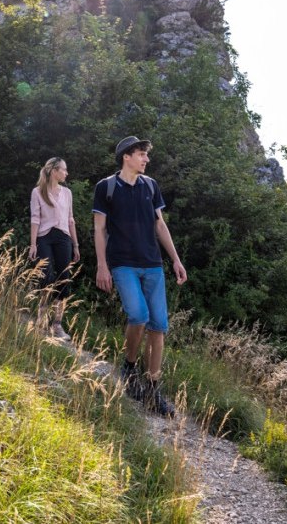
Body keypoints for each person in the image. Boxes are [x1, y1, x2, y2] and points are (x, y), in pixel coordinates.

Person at [92, 136, 187, 417]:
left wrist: (176, 260)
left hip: (153, 264)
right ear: (126, 157)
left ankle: (153, 391)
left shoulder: (151, 185)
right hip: (123, 264)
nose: (146, 159)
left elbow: (160, 225)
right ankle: (130, 367)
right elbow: (99, 230)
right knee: (139, 316)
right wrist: (101, 265)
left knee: (159, 327)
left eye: (146, 155)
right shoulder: (106, 187)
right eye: (141, 154)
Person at [29, 157, 80, 341]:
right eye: (64, 170)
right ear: (54, 171)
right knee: (47, 276)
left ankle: (57, 325)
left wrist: (75, 244)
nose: (66, 173)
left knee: (63, 279)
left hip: (64, 238)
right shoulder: (38, 192)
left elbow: (70, 219)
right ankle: (41, 319)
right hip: (44, 238)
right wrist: (33, 244)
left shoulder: (67, 193)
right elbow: (35, 218)